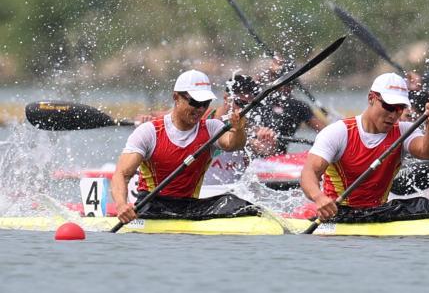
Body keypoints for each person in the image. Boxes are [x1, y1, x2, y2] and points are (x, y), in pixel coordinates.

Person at [111, 70, 249, 223]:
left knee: (236, 203)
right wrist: (121, 205)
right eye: (195, 102)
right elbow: (121, 174)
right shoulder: (149, 132)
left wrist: (239, 129)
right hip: (152, 206)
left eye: (206, 103)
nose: (201, 109)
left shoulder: (212, 128)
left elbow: (232, 144)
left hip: (189, 206)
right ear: (176, 97)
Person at [301, 72, 429, 219]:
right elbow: (309, 173)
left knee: (424, 205)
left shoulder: (404, 131)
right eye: (389, 106)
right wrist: (318, 197)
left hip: (379, 211)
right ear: (371, 98)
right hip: (339, 213)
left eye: (400, 108)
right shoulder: (338, 132)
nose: (393, 115)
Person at [254, 57, 328, 155]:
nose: (287, 88)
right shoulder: (260, 101)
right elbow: (252, 84)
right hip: (256, 152)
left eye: (290, 84)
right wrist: (270, 70)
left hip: (279, 158)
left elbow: (325, 132)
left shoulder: (299, 107)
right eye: (285, 84)